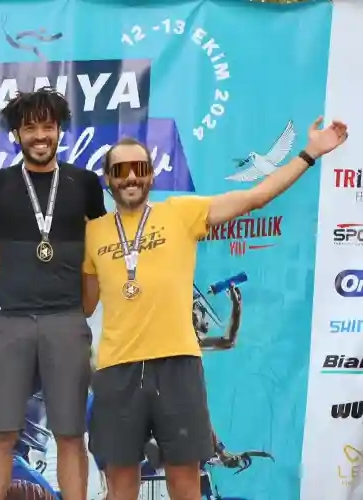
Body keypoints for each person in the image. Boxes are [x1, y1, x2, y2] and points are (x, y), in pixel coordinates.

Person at [82, 117, 348, 500]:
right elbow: (84, 304)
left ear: (151, 174)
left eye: (139, 168)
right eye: (120, 170)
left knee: (185, 484)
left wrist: (310, 152)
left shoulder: (180, 212)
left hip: (177, 367)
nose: (131, 177)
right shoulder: (91, 233)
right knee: (121, 488)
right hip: (117, 370)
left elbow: (255, 197)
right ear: (108, 179)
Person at [0, 87, 106, 500]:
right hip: (9, 320)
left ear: (59, 130)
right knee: (2, 433)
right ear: (16, 134)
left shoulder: (84, 183)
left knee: (70, 433)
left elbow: (98, 248)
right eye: (29, 127)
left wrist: (83, 308)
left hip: (65, 319)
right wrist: (3, 270)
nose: (39, 136)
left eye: (47, 126)